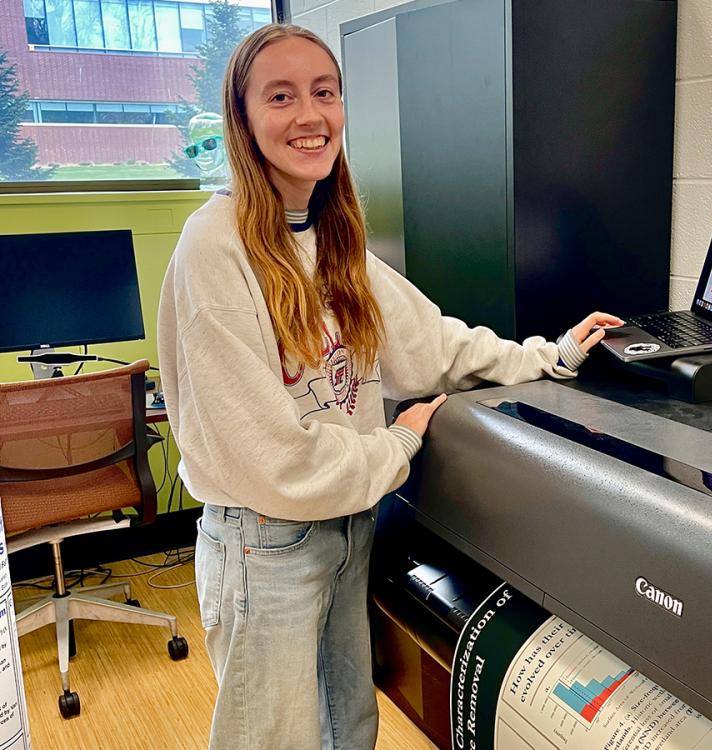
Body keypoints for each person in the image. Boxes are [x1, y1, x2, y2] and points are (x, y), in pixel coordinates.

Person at [157, 23, 622, 750]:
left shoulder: (333, 236)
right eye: (280, 96)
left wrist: (551, 355)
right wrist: (399, 443)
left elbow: (432, 343)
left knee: (351, 724)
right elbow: (271, 461)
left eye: (325, 93)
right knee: (276, 740)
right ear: (243, 118)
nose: (309, 116)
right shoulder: (214, 249)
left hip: (345, 524)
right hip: (264, 543)